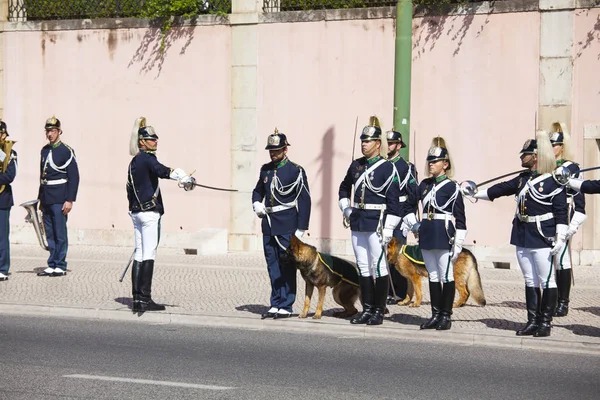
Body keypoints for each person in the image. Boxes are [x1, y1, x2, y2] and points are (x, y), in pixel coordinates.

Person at [466, 132, 567, 337]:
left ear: (536, 156)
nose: (522, 157)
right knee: (530, 280)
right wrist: (473, 193)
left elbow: (560, 211)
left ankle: (545, 322)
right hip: (522, 234)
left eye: (526, 154)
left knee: (547, 281)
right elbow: (500, 190)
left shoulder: (552, 181)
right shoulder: (523, 179)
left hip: (542, 235)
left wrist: (560, 236)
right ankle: (532, 320)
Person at [338, 116, 401, 326]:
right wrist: (346, 207)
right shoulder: (356, 166)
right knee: (364, 267)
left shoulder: (387, 168)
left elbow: (394, 202)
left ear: (377, 144)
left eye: (368, 141)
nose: (364, 144)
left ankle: (378, 311)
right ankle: (366, 309)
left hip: (378, 222)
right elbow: (344, 186)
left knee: (379, 267)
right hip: (358, 220)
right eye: (362, 141)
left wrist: (390, 228)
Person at [127, 117, 192, 312]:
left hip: (137, 213)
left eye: (155, 139)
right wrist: (181, 175)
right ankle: (145, 299)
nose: (155, 142)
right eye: (151, 139)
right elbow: (161, 171)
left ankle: (137, 298)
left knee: (139, 253)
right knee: (148, 253)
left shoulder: (134, 162)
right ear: (142, 142)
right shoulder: (147, 159)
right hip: (148, 213)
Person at [402, 137, 466, 331]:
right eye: (430, 161)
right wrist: (414, 225)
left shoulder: (452, 187)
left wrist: (459, 243)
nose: (431, 164)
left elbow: (461, 218)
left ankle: (446, 315)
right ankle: (435, 314)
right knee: (433, 276)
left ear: (445, 164)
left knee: (446, 276)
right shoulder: (424, 185)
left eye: (435, 161)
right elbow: (407, 206)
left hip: (444, 233)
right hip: (427, 233)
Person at [252, 129, 311, 319]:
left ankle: (286, 304)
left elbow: (304, 199)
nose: (273, 153)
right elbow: (257, 191)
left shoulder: (295, 170)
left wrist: (301, 227)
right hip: (269, 224)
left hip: (287, 224)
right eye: (271, 150)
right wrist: (256, 204)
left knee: (287, 266)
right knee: (272, 265)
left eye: (277, 150)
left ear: (285, 149)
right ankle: (275, 302)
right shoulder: (265, 169)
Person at [549, 122, 586, 317]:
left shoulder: (571, 167)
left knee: (561, 258)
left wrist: (572, 226)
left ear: (562, 146)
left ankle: (563, 303)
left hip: (565, 213)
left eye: (554, 144)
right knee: (550, 259)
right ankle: (551, 299)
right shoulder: (544, 167)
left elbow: (579, 200)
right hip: (546, 216)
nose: (551, 148)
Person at [37, 116, 80, 277]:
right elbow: (42, 176)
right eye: (48, 131)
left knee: (59, 232)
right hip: (47, 197)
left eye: (53, 131)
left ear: (59, 131)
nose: (50, 134)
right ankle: (52, 262)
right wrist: (40, 199)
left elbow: (74, 177)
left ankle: (61, 264)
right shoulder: (44, 150)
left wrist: (70, 200)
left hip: (60, 198)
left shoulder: (66, 151)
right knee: (50, 232)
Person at [385, 128, 418, 305]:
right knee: (384, 254)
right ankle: (386, 290)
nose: (388, 146)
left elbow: (413, 194)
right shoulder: (381, 164)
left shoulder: (406, 167)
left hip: (400, 212)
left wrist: (408, 216)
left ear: (398, 146)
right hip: (384, 213)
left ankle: (399, 292)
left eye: (391, 143)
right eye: (387, 142)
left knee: (396, 255)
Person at [0, 120, 17, 282]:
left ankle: (2, 268)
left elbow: (9, 176)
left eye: (1, 133)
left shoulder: (11, 153)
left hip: (2, 200)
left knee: (2, 236)